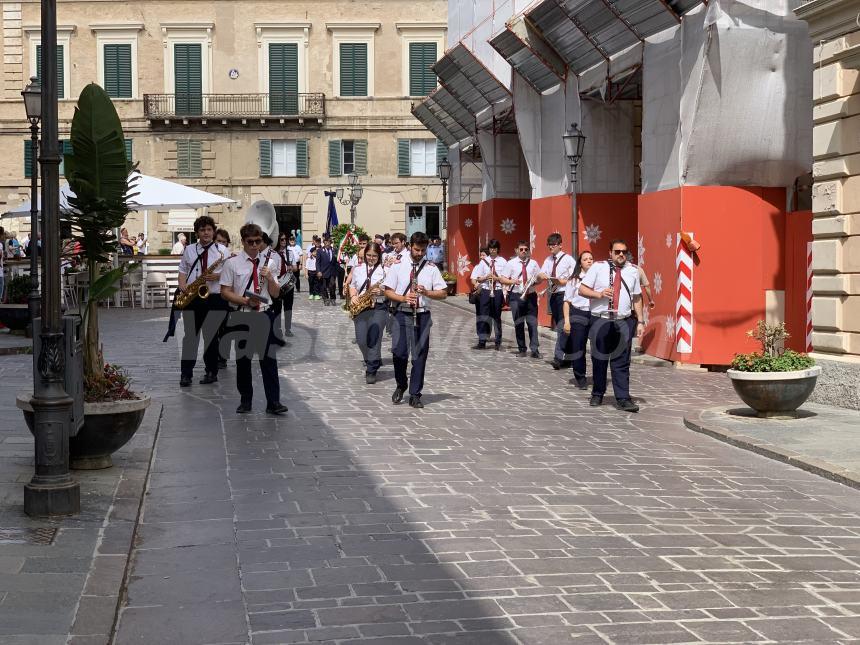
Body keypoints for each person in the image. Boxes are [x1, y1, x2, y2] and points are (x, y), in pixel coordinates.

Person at [219, 222, 287, 415]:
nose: (255, 245)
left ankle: (273, 402)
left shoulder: (270, 262)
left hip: (265, 313)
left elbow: (275, 294)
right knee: (243, 360)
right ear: (243, 242)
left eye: (258, 241)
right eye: (251, 242)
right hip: (242, 314)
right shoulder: (232, 263)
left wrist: (271, 278)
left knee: (269, 360)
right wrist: (244, 300)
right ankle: (245, 400)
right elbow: (225, 292)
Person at [383, 231, 447, 408]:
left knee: (419, 356)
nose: (420, 253)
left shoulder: (431, 268)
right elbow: (387, 290)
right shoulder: (398, 265)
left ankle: (415, 393)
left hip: (422, 314)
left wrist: (427, 292)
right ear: (410, 246)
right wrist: (403, 299)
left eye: (423, 250)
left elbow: (443, 293)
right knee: (399, 353)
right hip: (402, 313)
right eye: (417, 249)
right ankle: (401, 383)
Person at [579, 239, 644, 413]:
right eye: (617, 251)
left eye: (624, 251)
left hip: (623, 320)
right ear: (610, 252)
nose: (621, 254)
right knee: (599, 359)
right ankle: (598, 393)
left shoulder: (632, 271)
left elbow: (637, 297)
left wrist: (641, 321)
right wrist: (599, 294)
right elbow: (582, 290)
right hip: (600, 319)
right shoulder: (598, 268)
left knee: (622, 361)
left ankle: (623, 398)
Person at [176, 216, 229, 387]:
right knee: (190, 336)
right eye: (202, 230)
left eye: (208, 230)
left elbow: (232, 274)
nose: (206, 233)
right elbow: (183, 269)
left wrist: (218, 275)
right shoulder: (190, 250)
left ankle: (211, 372)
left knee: (211, 337)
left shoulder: (223, 251)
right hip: (193, 297)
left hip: (215, 297)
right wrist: (182, 285)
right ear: (197, 232)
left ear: (213, 231)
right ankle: (186, 374)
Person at [349, 242, 387, 383]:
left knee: (374, 337)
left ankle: (371, 370)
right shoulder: (358, 269)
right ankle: (370, 358)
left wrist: (383, 291)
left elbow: (393, 288)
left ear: (379, 256)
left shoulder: (385, 270)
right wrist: (353, 296)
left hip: (379, 307)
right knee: (361, 340)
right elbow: (352, 285)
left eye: (374, 256)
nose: (371, 258)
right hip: (362, 306)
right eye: (369, 255)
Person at [537, 233, 576, 369]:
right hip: (553, 294)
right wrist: (542, 275)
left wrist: (562, 281)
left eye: (553, 245)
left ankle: (558, 357)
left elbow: (574, 278)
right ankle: (570, 357)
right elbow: (542, 273)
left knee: (562, 326)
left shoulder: (569, 260)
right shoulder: (548, 260)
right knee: (563, 327)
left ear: (560, 245)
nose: (551, 247)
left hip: (565, 294)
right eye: (549, 245)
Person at [562, 251, 595, 389]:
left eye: (591, 259)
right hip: (578, 314)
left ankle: (598, 376)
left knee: (598, 347)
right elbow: (567, 302)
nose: (589, 261)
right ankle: (580, 377)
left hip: (595, 314)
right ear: (580, 263)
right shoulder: (573, 280)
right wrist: (567, 321)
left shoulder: (598, 278)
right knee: (578, 347)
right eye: (585, 259)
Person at [503, 240, 541, 358]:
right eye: (521, 249)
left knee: (532, 323)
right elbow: (503, 279)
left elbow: (539, 278)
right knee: (519, 323)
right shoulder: (511, 263)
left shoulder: (534, 263)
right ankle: (522, 349)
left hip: (531, 295)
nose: (524, 251)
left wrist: (535, 282)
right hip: (516, 296)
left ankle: (534, 350)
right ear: (516, 250)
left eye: (526, 249)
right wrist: (513, 281)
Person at [469, 238, 506, 350]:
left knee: (496, 316)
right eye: (491, 249)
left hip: (497, 290)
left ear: (498, 249)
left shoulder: (503, 261)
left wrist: (497, 278)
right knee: (483, 315)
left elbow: (506, 278)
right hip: (485, 290)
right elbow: (478, 278)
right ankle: (482, 341)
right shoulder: (483, 262)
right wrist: (486, 277)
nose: (492, 251)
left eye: (494, 249)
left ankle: (498, 342)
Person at [273, 232, 296, 337]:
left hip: (288, 284)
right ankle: (277, 329)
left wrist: (292, 267)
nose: (284, 241)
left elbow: (295, 267)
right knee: (277, 307)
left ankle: (288, 329)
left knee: (288, 307)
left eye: (284, 239)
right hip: (277, 283)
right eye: (281, 239)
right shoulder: (273, 253)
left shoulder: (290, 253)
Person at [344, 234, 369, 298]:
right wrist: (346, 283)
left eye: (364, 243)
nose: (362, 245)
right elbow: (352, 272)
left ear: (368, 243)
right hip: (356, 289)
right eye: (360, 243)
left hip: (368, 287)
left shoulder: (371, 256)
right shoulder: (355, 256)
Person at [316, 235, 338, 305]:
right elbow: (317, 262)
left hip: (332, 272)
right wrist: (318, 271)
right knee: (324, 286)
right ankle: (325, 299)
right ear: (324, 243)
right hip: (323, 272)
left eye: (328, 242)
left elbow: (336, 261)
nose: (327, 243)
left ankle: (333, 298)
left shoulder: (334, 250)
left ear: (330, 242)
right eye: (326, 242)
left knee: (332, 285)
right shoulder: (320, 251)